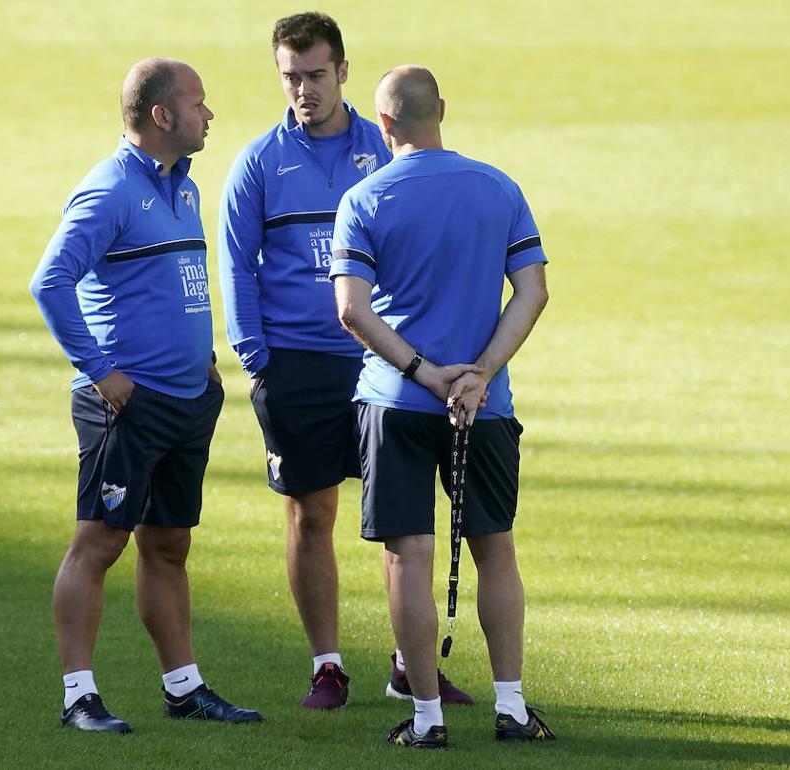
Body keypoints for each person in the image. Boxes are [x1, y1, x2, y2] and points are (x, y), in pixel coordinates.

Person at [218, 12, 471, 710]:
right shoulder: (259, 163)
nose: (304, 90)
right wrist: (255, 356)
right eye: (291, 78)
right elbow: (236, 263)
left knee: (403, 519)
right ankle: (327, 666)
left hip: (381, 360)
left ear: (343, 72)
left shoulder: (385, 147)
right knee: (312, 514)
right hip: (296, 361)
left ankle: (407, 665)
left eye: (316, 75)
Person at [30, 57, 262, 734]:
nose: (208, 113)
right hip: (127, 405)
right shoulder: (108, 192)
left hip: (187, 400)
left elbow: (174, 287)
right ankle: (78, 697)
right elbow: (50, 282)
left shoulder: (181, 186)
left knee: (168, 545)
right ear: (162, 116)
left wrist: (205, 361)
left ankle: (183, 688)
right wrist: (100, 370)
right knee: (99, 546)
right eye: (197, 103)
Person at [330, 66, 557, 748]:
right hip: (482, 406)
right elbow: (532, 292)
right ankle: (511, 708)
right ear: (443, 113)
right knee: (495, 550)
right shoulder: (498, 188)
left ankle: (427, 718)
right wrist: (480, 373)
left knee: (408, 556)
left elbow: (350, 309)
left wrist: (426, 374)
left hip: (396, 401)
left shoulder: (364, 198)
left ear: (385, 125)